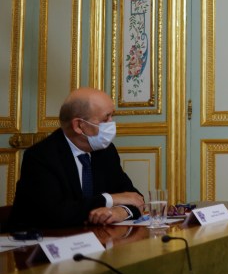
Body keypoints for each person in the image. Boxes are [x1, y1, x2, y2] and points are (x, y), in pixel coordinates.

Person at [9, 88, 145, 230]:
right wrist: (111, 199)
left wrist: (120, 212)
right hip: (33, 245)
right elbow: (58, 214)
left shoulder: (106, 152)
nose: (112, 124)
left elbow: (135, 198)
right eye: (106, 118)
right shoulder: (41, 157)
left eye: (112, 116)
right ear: (79, 126)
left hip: (90, 240)